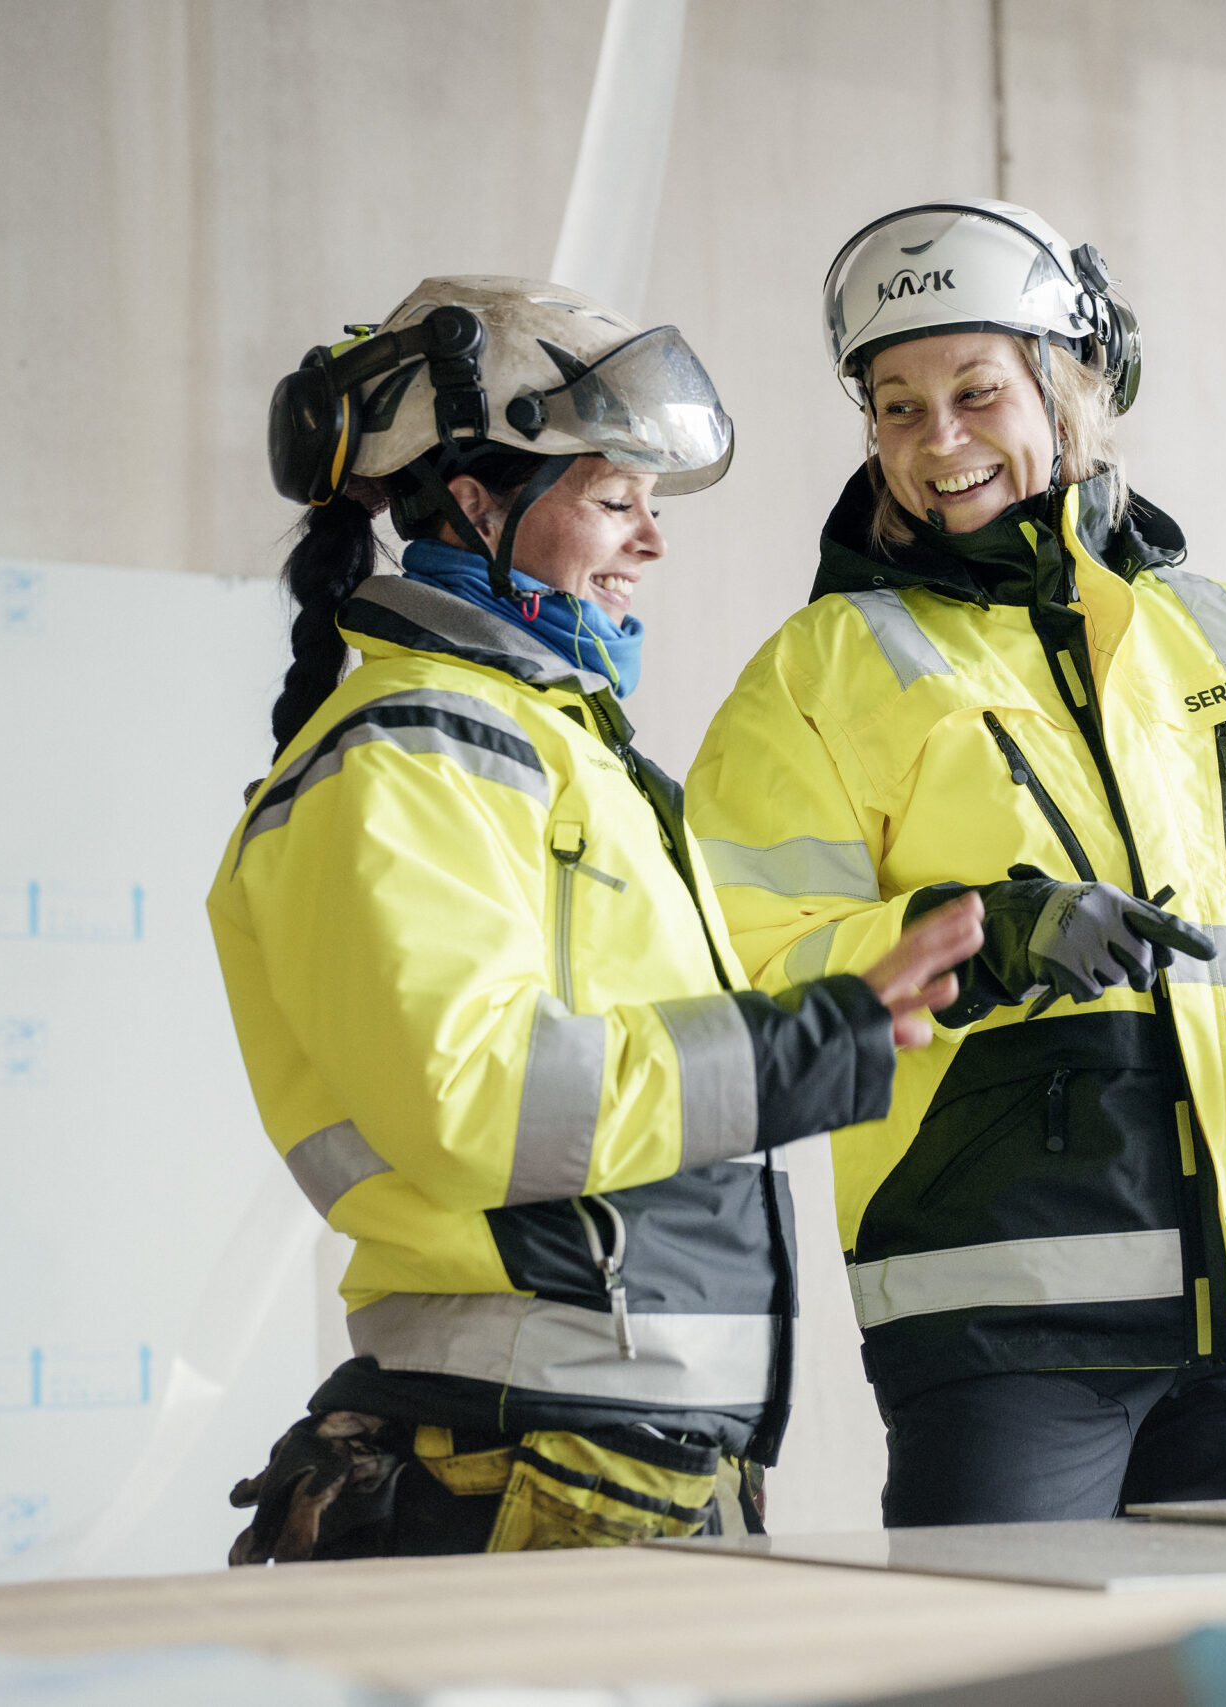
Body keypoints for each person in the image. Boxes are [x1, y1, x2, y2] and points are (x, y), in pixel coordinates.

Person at [683, 201, 1226, 1526]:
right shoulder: (818, 674)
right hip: (1002, 1319)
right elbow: (743, 963)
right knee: (1016, 1676)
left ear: (1070, 385)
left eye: (977, 391)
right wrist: (979, 931)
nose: (940, 442)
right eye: (897, 406)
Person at [206, 275, 983, 1560]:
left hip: (620, 1449)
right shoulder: (407, 759)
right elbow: (479, 1102)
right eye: (616, 499)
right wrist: (812, 1043)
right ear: (474, 500)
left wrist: (847, 1009)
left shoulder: (565, 757)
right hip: (518, 1459)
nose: (652, 541)